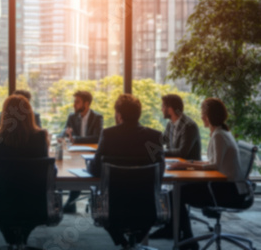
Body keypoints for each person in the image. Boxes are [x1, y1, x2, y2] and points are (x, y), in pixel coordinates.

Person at [153, 98, 243, 250]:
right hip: (225, 187)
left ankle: (189, 240)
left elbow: (214, 165)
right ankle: (177, 233)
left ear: (209, 116)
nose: (201, 116)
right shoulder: (221, 132)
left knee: (177, 194)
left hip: (226, 191)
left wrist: (186, 164)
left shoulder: (219, 135)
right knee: (176, 192)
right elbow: (213, 162)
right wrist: (186, 164)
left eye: (203, 113)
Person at [87, 94, 164, 248]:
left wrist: (89, 164)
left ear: (119, 115)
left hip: (113, 208)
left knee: (99, 205)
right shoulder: (154, 136)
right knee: (144, 214)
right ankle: (134, 243)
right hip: (147, 207)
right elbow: (159, 171)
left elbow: (95, 169)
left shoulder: (109, 134)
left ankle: (124, 243)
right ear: (139, 114)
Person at [0, 95, 50, 245]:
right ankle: (21, 241)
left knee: (8, 223)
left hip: (3, 204)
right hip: (35, 204)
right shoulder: (40, 137)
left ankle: (13, 243)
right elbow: (47, 170)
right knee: (24, 223)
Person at [61, 90, 104, 213]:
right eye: (74, 102)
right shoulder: (72, 116)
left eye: (77, 102)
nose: (74, 105)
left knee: (84, 170)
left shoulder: (97, 117)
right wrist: (62, 135)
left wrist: (76, 139)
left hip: (91, 153)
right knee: (73, 170)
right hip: (75, 153)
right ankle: (71, 202)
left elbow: (97, 137)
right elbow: (65, 131)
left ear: (86, 104)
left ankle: (71, 202)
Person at [161, 94, 201, 160]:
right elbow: (163, 140)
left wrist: (160, 152)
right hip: (176, 165)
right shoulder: (170, 124)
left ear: (170, 109)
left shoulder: (189, 126)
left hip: (190, 168)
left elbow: (182, 152)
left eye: (163, 106)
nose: (161, 109)